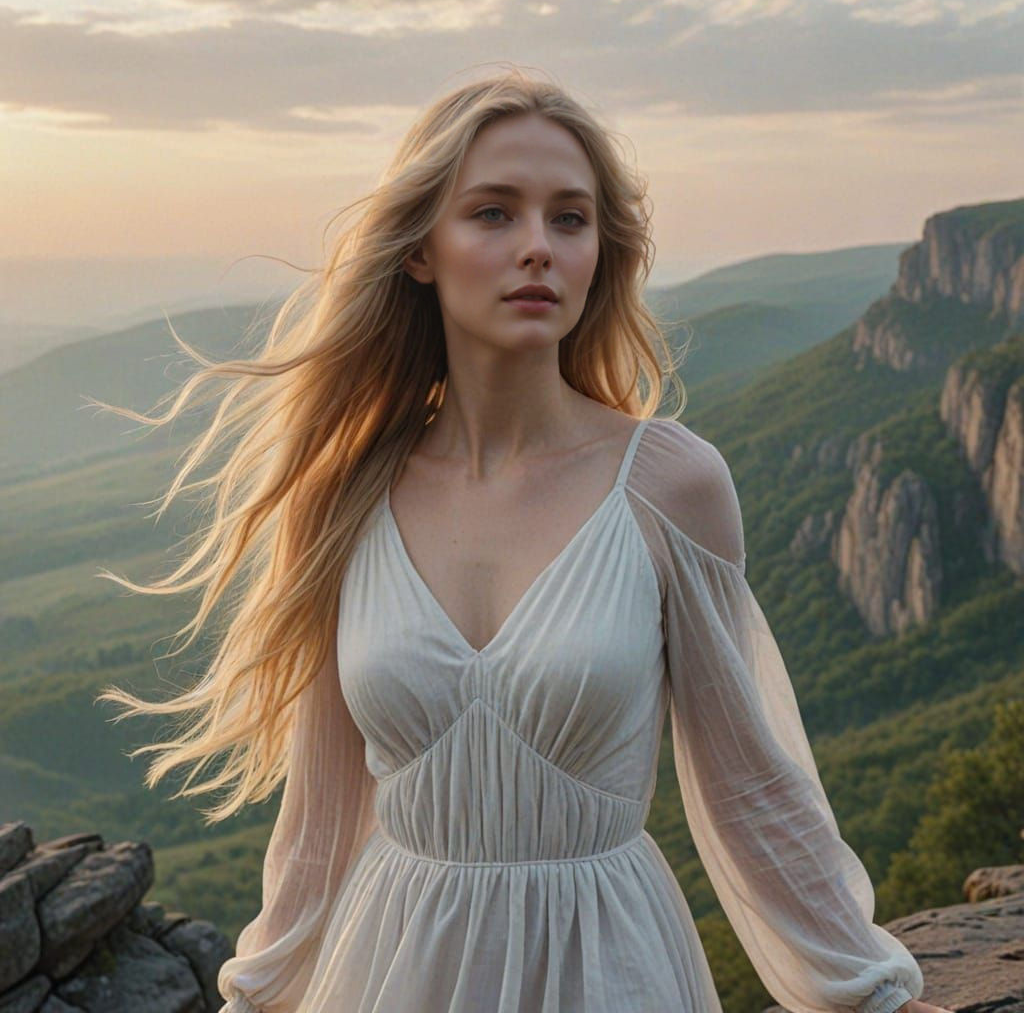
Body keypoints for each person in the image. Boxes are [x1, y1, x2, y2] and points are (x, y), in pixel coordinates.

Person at [93, 65, 952, 1013]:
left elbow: (752, 788)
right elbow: (323, 820)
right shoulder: (342, 497)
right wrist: (258, 995)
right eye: (494, 214)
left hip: (608, 966)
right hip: (391, 969)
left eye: (569, 219)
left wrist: (869, 995)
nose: (537, 248)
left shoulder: (670, 484)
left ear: (599, 254)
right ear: (421, 249)